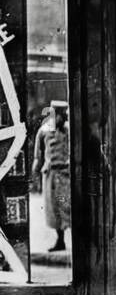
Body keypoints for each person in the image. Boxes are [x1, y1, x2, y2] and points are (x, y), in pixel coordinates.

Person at [32, 100, 71, 252]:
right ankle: (60, 241)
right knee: (54, 209)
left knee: (67, 206)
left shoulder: (69, 130)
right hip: (50, 175)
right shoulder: (43, 131)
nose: (66, 118)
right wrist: (34, 174)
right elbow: (38, 155)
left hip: (66, 174)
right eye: (63, 115)